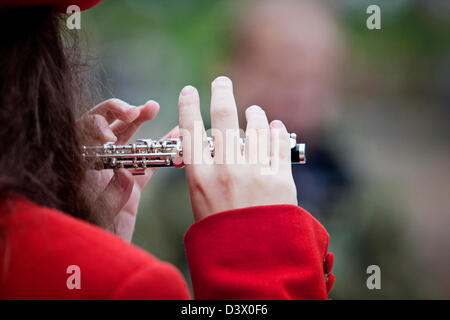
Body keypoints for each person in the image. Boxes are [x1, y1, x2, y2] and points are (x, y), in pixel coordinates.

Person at [0, 1, 334, 299]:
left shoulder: (365, 191)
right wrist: (260, 262)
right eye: (279, 75)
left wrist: (85, 254)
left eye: (313, 81)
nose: (297, 94)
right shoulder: (145, 261)